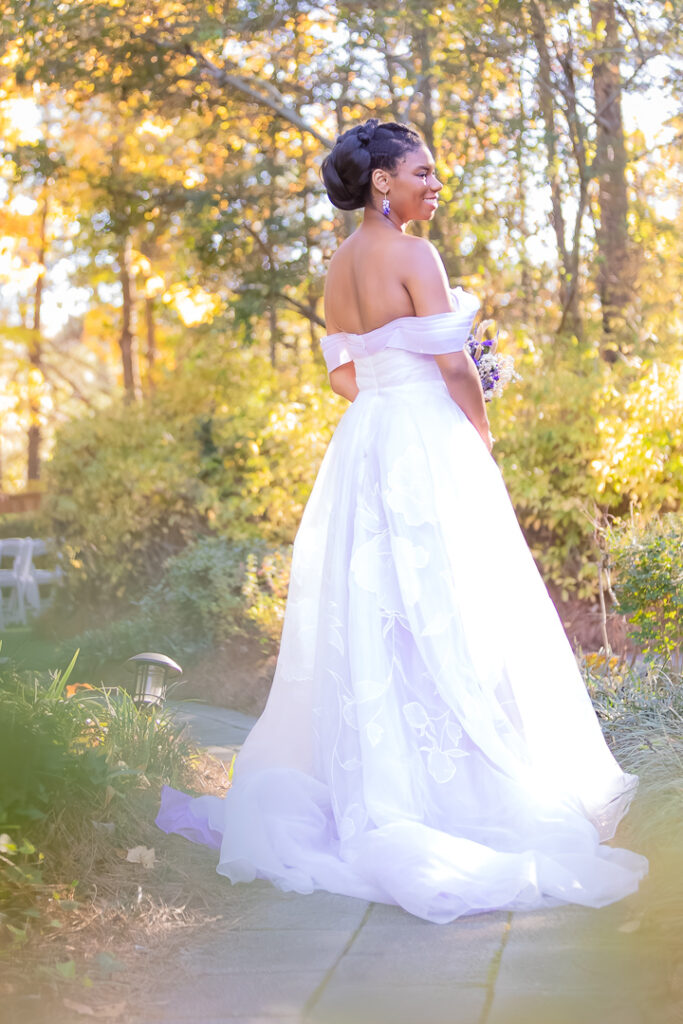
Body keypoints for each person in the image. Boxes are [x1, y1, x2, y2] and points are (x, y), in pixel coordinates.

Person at [156, 118, 647, 923]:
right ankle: (458, 787)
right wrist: (478, 444)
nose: (434, 184)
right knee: (452, 606)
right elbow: (455, 365)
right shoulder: (416, 257)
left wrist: (390, 403)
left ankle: (390, 779)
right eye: (422, 171)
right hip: (424, 443)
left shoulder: (337, 267)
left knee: (378, 610)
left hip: (366, 445)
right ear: (381, 181)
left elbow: (345, 376)